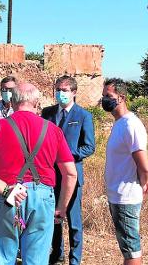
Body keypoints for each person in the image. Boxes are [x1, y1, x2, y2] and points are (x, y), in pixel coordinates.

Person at [0, 83, 77, 265]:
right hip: (42, 198)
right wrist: (61, 207)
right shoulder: (53, 131)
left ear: (11, 101)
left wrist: (5, 190)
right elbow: (71, 174)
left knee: (2, 258)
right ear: (36, 103)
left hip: (7, 196)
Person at [102, 78, 148, 265]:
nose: (105, 100)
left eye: (108, 96)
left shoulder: (130, 125)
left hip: (125, 196)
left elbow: (144, 166)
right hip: (118, 194)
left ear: (122, 97)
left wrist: (143, 185)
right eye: (103, 96)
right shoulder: (119, 123)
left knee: (131, 249)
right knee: (128, 246)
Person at [41, 75, 96, 265]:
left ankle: (75, 259)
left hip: (72, 175)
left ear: (74, 92)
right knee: (53, 216)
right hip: (50, 174)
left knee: (74, 220)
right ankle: (56, 254)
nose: (60, 93)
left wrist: (66, 156)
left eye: (64, 90)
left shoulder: (83, 115)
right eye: (58, 89)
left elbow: (89, 147)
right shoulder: (47, 113)